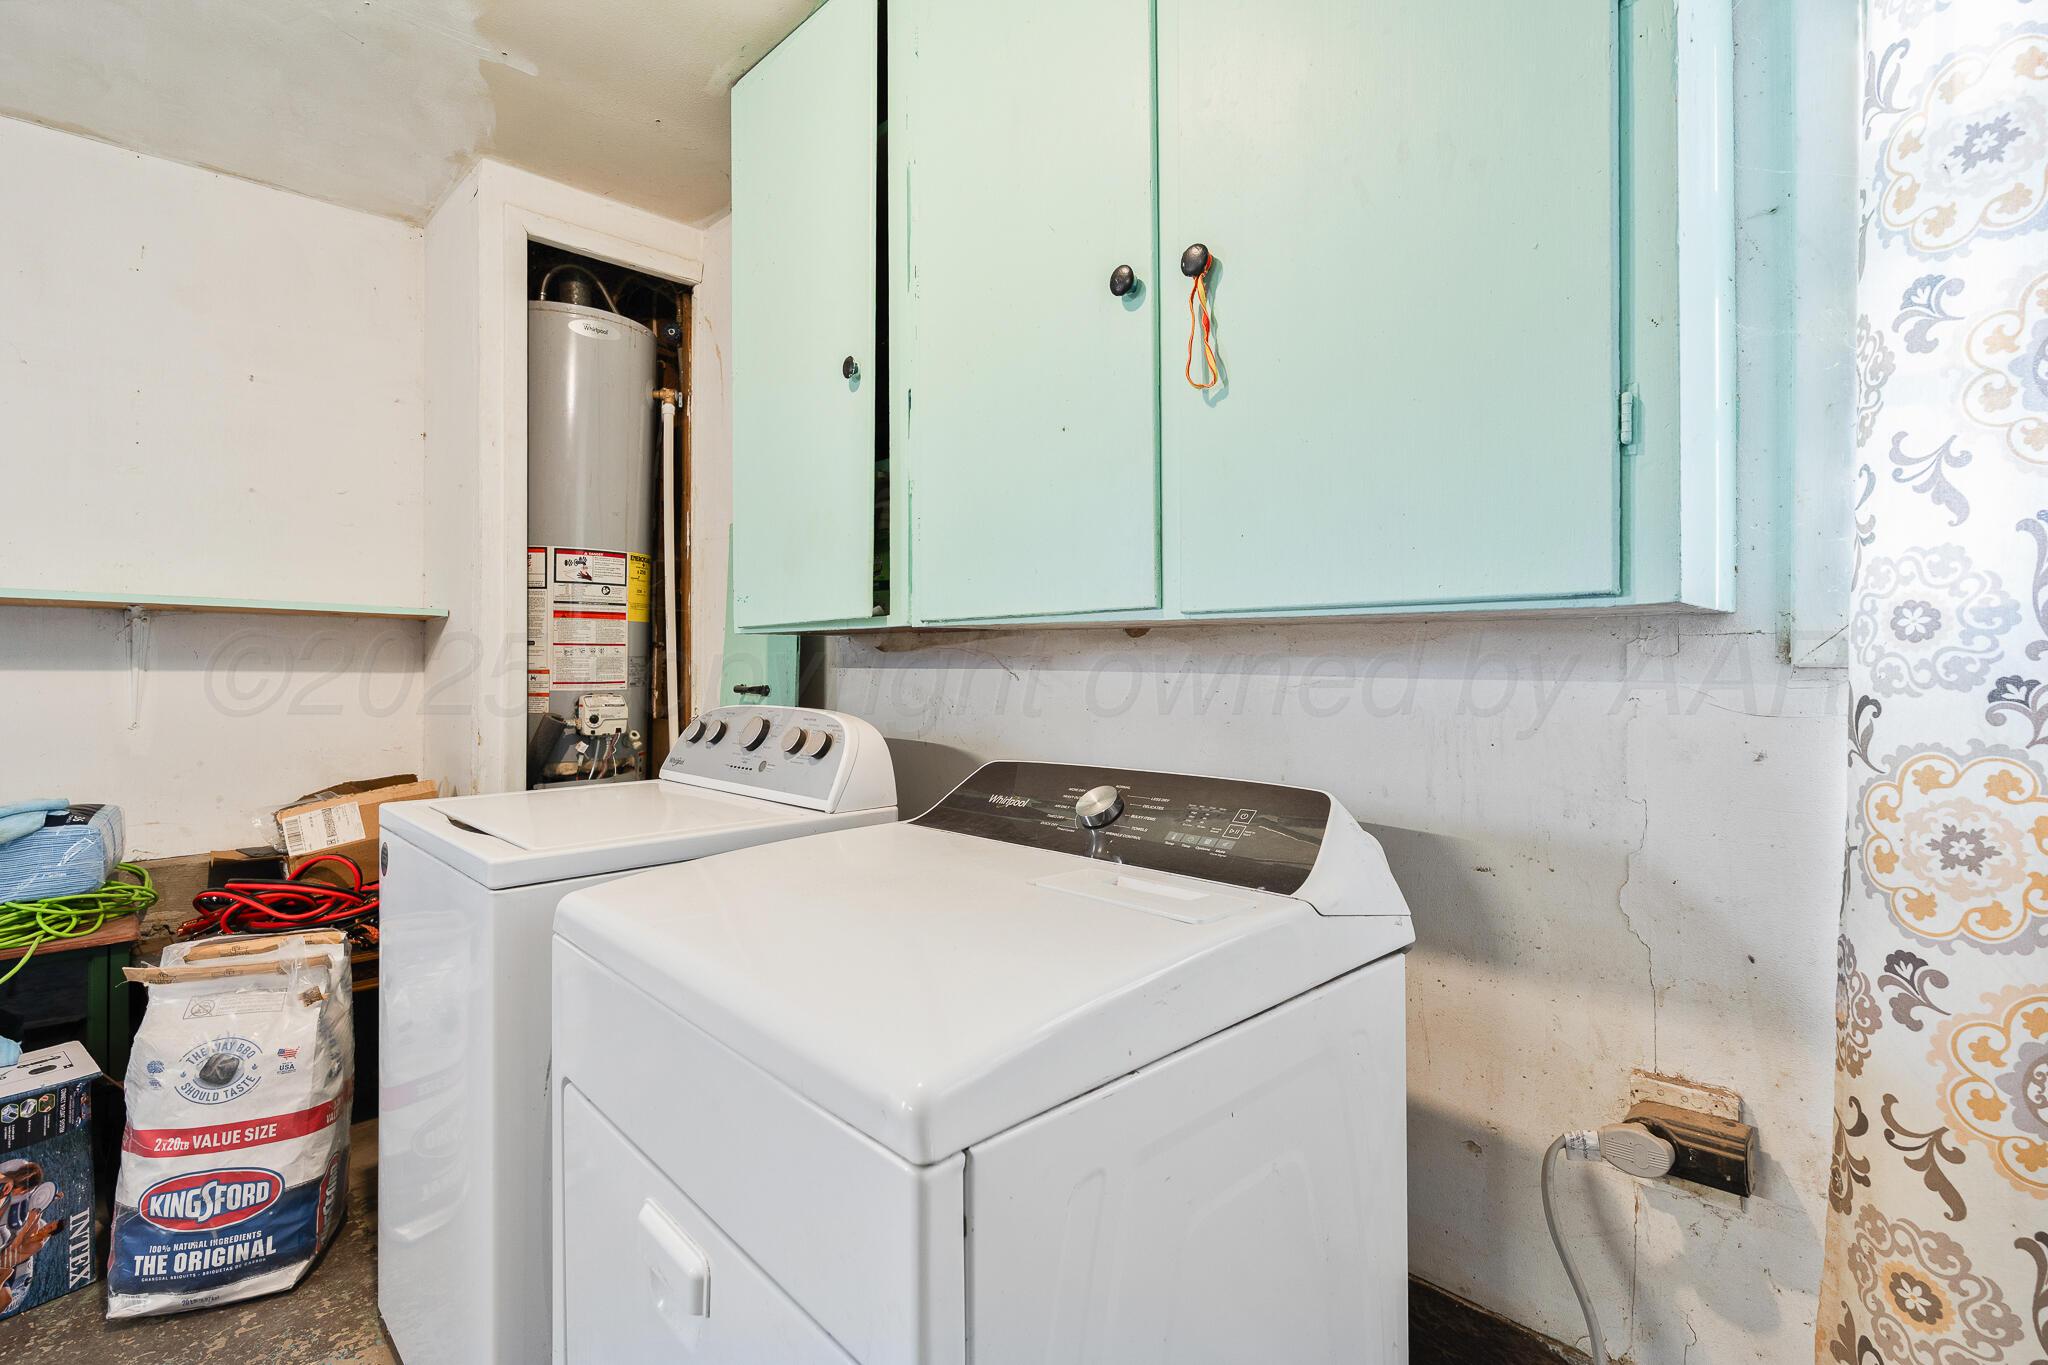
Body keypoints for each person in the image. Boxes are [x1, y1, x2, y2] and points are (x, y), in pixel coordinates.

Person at [0, 1159, 58, 1315]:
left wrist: (32, 1221)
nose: (46, 1226)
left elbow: (16, 1244)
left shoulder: (37, 1242)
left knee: (6, 1297)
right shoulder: (14, 1172)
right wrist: (8, 1180)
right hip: (5, 1258)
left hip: (4, 1261)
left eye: (49, 1228)